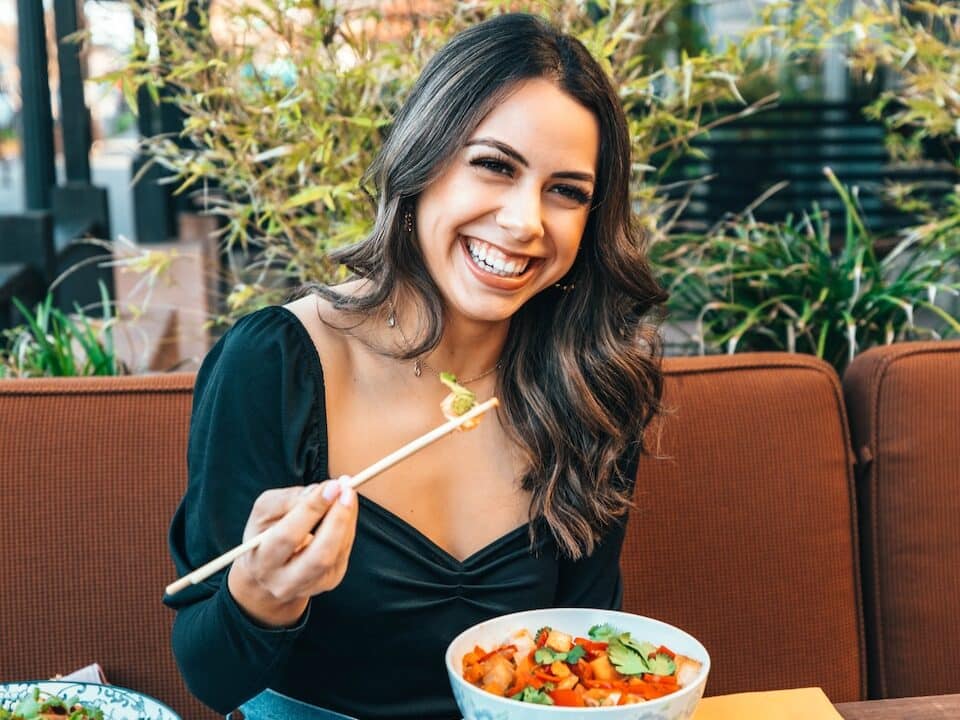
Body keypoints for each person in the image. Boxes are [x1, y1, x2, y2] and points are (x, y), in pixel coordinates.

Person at [164, 12, 667, 720]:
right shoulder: (272, 363)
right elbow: (208, 678)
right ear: (422, 162)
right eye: (494, 165)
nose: (526, 221)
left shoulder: (593, 389)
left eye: (567, 191)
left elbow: (585, 659)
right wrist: (264, 594)